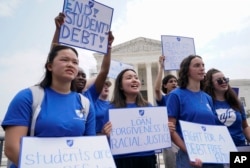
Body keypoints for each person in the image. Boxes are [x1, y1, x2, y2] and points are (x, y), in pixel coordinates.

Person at [1, 45, 96, 168]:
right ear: (49, 66)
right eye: (64, 60)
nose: (70, 64)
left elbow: (90, 147)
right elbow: (12, 148)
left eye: (75, 62)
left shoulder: (86, 104)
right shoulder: (27, 97)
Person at [52, 12, 114, 119]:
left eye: (84, 76)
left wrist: (108, 47)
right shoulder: (56, 92)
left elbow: (103, 72)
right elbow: (54, 57)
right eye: (78, 75)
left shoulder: (90, 95)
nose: (81, 78)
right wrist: (58, 31)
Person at [166, 55, 223, 168]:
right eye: (197, 65)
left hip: (212, 155)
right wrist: (189, 152)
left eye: (203, 65)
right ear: (187, 71)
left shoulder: (207, 97)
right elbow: (171, 130)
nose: (202, 68)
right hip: (189, 157)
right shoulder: (175, 95)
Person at [101, 68, 157, 168]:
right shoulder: (111, 109)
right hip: (122, 160)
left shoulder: (148, 107)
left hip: (147, 158)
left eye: (136, 77)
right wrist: (106, 134)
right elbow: (106, 139)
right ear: (120, 86)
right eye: (129, 78)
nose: (134, 80)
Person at [204, 68, 250, 146]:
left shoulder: (236, 102)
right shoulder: (207, 104)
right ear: (210, 84)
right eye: (219, 81)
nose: (224, 82)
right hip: (219, 149)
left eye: (225, 79)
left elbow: (245, 126)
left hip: (240, 147)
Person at [154, 55, 178, 168]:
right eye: (171, 81)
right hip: (169, 139)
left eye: (175, 81)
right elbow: (156, 90)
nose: (174, 83)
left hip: (183, 136)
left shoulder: (181, 98)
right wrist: (161, 68)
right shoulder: (164, 99)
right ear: (165, 85)